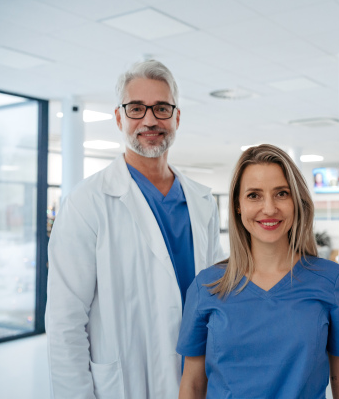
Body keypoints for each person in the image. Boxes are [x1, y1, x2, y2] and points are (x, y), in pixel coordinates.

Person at [46, 59, 224, 399]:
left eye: (161, 108)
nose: (150, 120)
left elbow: (212, 296)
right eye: (136, 109)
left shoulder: (202, 202)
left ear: (177, 117)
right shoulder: (87, 203)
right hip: (124, 383)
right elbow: (64, 324)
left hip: (199, 378)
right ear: (119, 118)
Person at [177, 144, 339, 399]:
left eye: (281, 193)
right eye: (254, 195)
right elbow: (193, 385)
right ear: (238, 205)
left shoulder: (329, 280)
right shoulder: (207, 286)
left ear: (296, 201)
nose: (269, 208)